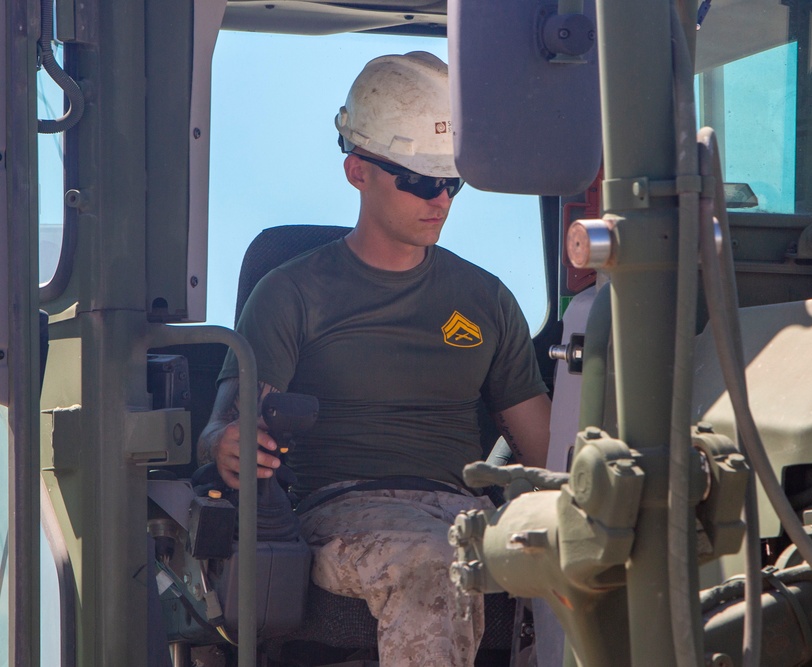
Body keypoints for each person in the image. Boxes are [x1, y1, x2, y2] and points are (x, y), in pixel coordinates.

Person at [198, 51, 552, 666]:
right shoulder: (290, 293)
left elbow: (550, 450)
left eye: (452, 182)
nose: (440, 199)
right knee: (434, 563)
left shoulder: (487, 299)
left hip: (461, 509)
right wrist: (225, 445)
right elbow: (227, 430)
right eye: (419, 180)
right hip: (339, 511)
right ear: (357, 171)